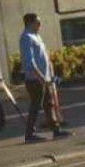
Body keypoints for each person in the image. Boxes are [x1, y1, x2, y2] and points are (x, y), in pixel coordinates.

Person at [19, 13, 70, 142]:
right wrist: (41, 77)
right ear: (30, 23)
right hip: (35, 79)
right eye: (37, 22)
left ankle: (56, 130)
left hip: (44, 78)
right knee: (36, 105)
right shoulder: (26, 38)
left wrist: (50, 75)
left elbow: (43, 57)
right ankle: (29, 134)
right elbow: (30, 62)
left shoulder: (37, 36)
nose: (40, 25)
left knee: (49, 104)